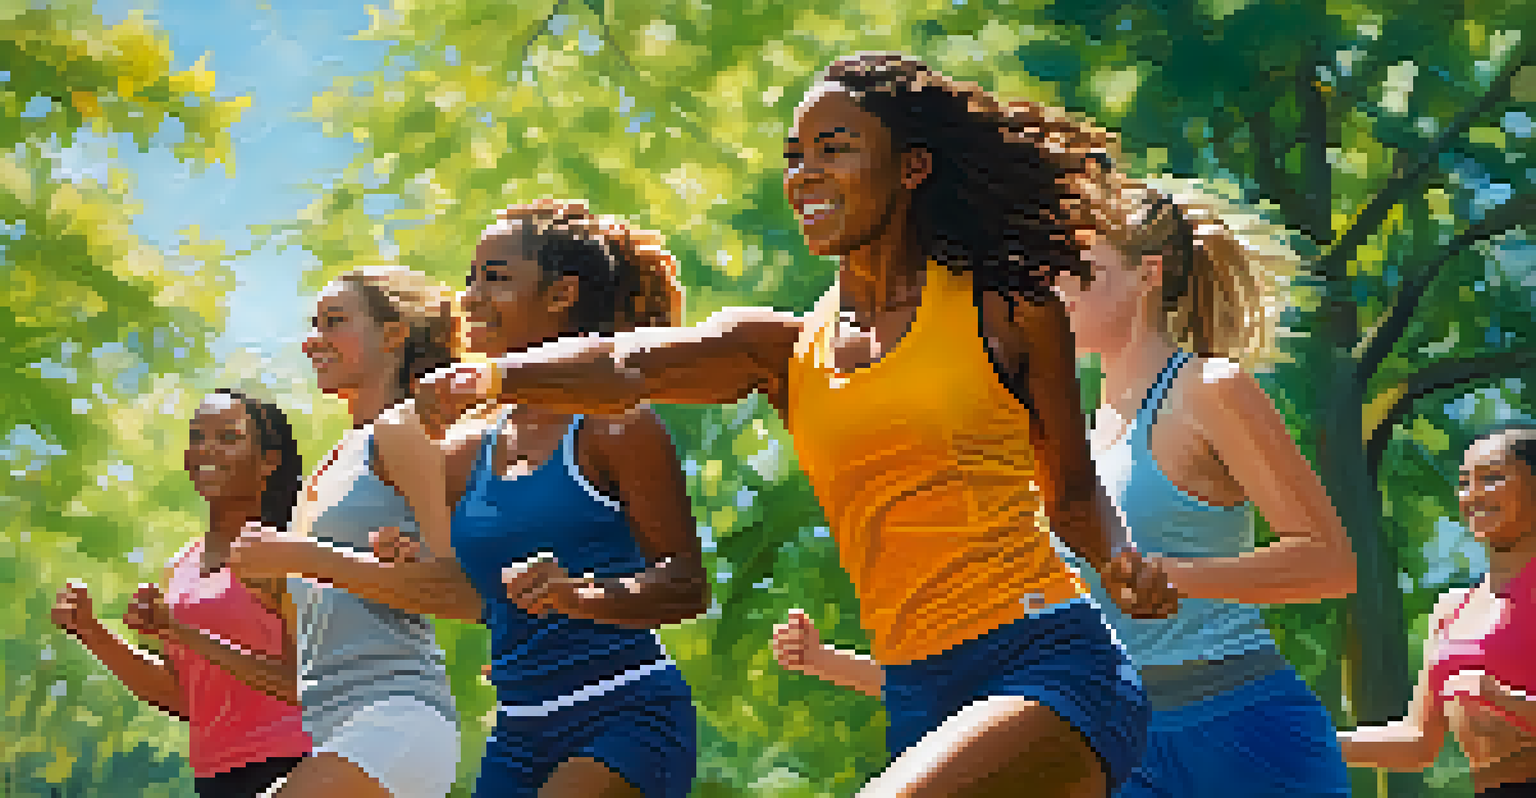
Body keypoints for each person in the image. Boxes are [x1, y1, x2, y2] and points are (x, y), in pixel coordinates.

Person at [412, 54, 1179, 797]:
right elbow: (624, 365)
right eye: (794, 156)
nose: (804, 173)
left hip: (1047, 663)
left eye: (834, 149)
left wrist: (1120, 560)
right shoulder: (783, 351)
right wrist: (495, 376)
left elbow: (1071, 494)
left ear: (912, 168)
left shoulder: (1006, 309)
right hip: (914, 693)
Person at [777, 178, 1360, 797]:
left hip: (1242, 733)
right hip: (1116, 737)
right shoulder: (1070, 441)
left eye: (1075, 272)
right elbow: (1006, 649)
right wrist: (832, 664)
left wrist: (1165, 575)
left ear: (1148, 276)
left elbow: (1329, 562)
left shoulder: (1211, 391)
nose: (1052, 289)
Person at [320, 200, 709, 798]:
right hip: (520, 727)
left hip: (625, 713)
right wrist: (413, 559)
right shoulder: (467, 448)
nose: (471, 296)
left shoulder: (616, 426)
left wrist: (581, 594)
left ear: (561, 295)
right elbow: (479, 597)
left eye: (495, 279)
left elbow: (687, 585)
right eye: (471, 278)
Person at [225, 266, 461, 798]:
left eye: (334, 322)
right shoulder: (333, 464)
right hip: (334, 726)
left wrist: (300, 555)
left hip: (396, 719)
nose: (313, 342)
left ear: (395, 333)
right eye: (313, 326)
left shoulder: (401, 430)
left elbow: (461, 590)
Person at [51, 389, 312, 798]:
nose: (207, 449)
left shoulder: (285, 550)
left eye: (228, 437)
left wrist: (182, 633)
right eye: (197, 436)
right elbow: (184, 697)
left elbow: (305, 684)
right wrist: (92, 633)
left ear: (269, 462)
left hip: (296, 763)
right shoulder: (183, 563)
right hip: (216, 773)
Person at [1339, 426, 1536, 795]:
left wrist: (1501, 698)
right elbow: (1419, 742)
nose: (1473, 494)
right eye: (1464, 482)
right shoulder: (1452, 609)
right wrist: (1312, 743)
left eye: (1492, 478)